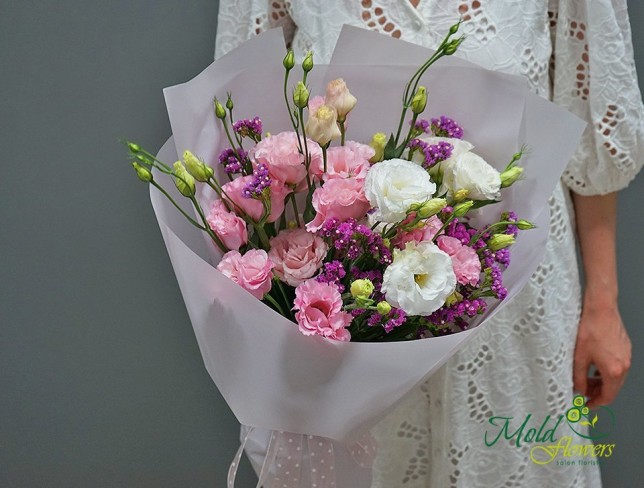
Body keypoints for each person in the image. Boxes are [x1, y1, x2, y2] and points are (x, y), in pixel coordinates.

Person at [215, 1, 643, 486]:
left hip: (515, 307)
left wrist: (604, 306)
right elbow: (242, 119)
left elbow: (594, 134)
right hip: (352, 321)